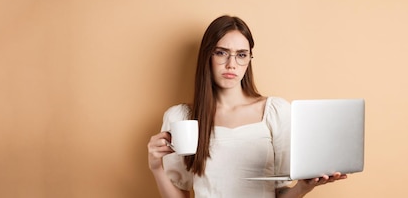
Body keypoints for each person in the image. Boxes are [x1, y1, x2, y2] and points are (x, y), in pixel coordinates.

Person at [147, 15, 347, 197]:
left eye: (241, 55)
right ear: (207, 56)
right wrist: (156, 167)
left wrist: (304, 187)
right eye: (221, 53)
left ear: (249, 59)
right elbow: (180, 193)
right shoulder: (181, 118)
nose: (231, 64)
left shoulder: (275, 112)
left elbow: (279, 192)